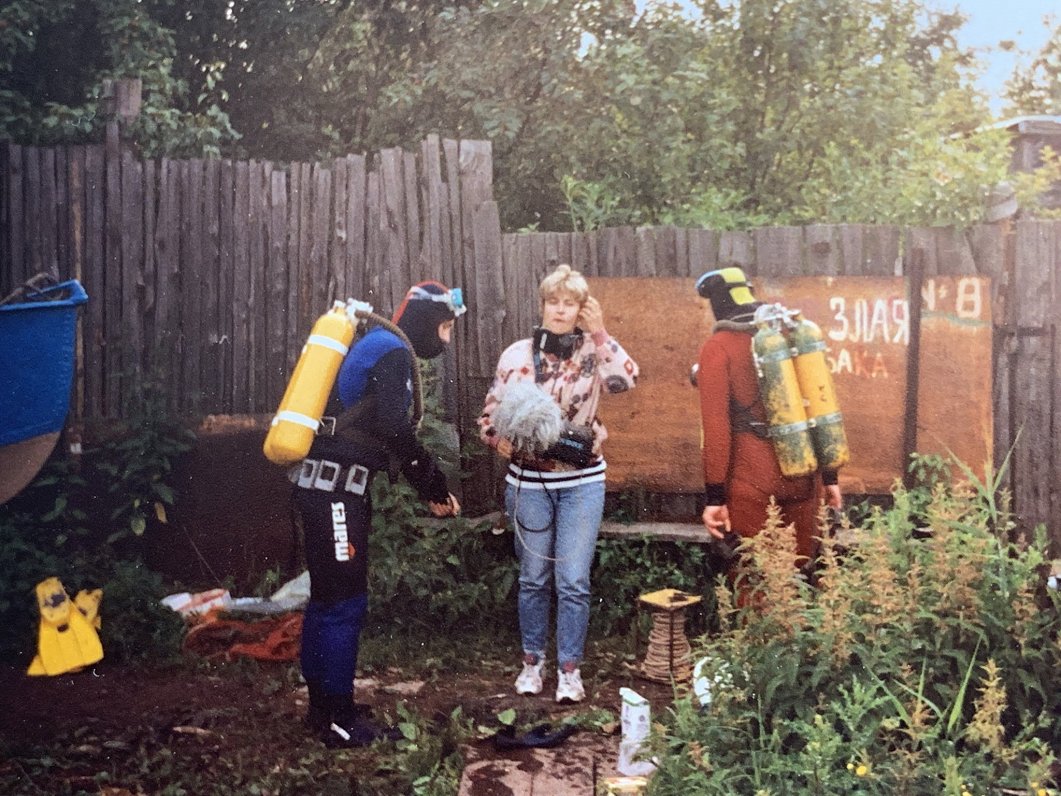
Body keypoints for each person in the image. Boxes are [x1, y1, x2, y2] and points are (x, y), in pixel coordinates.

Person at [294, 281, 463, 748]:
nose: (445, 341)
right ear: (428, 321)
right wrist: (433, 484)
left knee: (328, 598)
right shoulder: (392, 351)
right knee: (344, 602)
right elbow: (393, 427)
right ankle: (337, 718)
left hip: (324, 488)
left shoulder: (377, 344)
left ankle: (323, 708)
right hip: (335, 496)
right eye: (445, 328)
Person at [479, 264, 639, 703]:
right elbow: (489, 414)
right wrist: (499, 442)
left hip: (582, 482)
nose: (561, 311)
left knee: (572, 580)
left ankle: (569, 670)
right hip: (528, 483)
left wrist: (601, 332)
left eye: (570, 303)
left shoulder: (593, 351)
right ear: (542, 305)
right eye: (554, 302)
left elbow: (626, 380)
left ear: (580, 308)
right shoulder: (516, 355)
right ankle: (532, 663)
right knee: (533, 577)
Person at [694, 267, 842, 569]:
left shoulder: (718, 347)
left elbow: (716, 431)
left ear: (716, 302)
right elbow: (819, 401)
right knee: (799, 577)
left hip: (750, 481)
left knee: (753, 581)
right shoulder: (790, 333)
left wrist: (714, 498)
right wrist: (830, 477)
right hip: (803, 469)